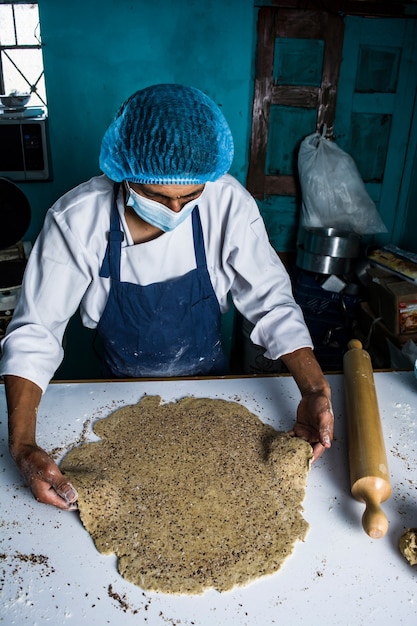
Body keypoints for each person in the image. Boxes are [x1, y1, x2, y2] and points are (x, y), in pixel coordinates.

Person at [0, 84, 333, 511]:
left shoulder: (227, 202)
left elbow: (272, 302)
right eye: (157, 197)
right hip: (116, 391)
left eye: (189, 197)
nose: (175, 211)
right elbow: (36, 332)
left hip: (210, 386)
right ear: (123, 171)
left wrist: (315, 388)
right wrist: (23, 444)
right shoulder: (77, 219)